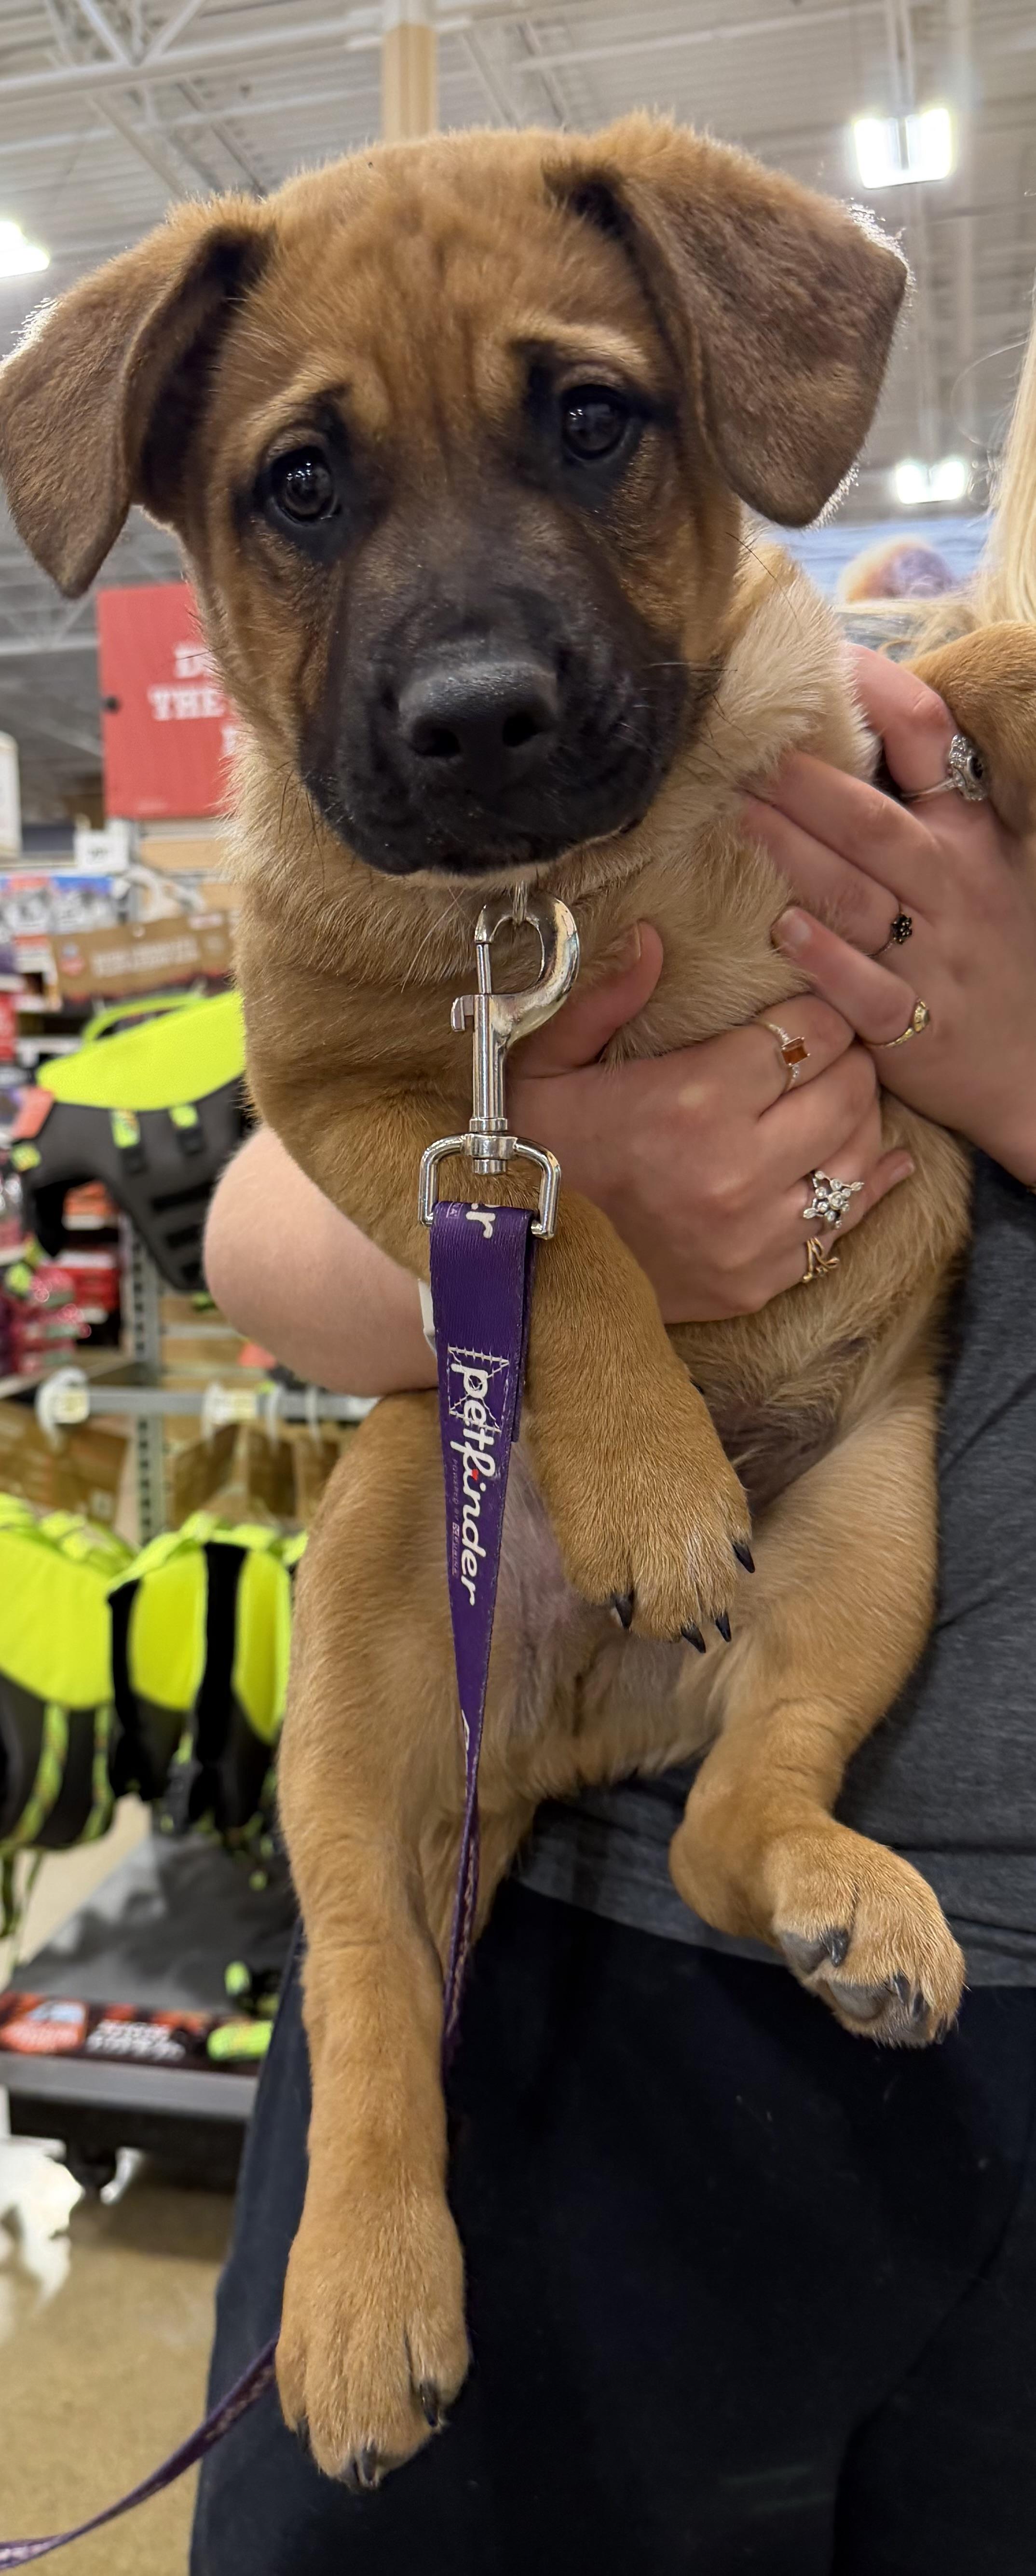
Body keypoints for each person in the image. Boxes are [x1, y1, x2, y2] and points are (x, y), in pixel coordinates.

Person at [191, 413, 1036, 2568]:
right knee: (382, 1568)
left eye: (583, 434)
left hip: (873, 1740)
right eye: (308, 490)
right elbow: (286, 1182)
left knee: (861, 1478)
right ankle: (383, 2119)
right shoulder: (475, 808)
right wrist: (555, 1242)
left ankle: (782, 1804)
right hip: (590, 1956)